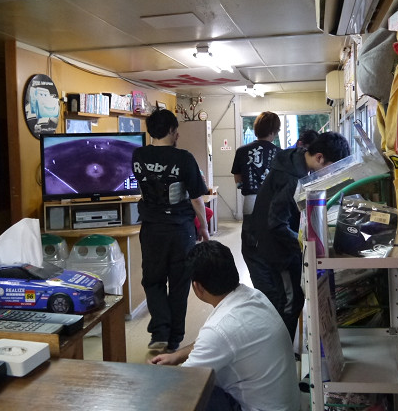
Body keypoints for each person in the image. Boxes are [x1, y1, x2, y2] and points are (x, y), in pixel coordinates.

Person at [150, 240, 301, 411]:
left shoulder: (219, 329)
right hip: (286, 406)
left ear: (197, 287)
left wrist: (151, 378)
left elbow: (182, 383)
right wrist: (177, 356)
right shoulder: (255, 297)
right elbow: (215, 343)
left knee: (181, 395)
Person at [251, 132, 350, 342]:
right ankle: (282, 350)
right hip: (276, 250)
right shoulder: (292, 178)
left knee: (292, 297)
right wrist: (306, 244)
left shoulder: (296, 160)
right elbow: (276, 223)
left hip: (279, 244)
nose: (330, 175)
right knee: (290, 301)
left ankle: (283, 346)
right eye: (332, 169)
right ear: (320, 157)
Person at [132, 109, 210, 352]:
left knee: (153, 281)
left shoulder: (138, 155)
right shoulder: (184, 158)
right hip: (180, 229)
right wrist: (204, 228)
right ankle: (174, 338)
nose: (178, 134)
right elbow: (196, 198)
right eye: (176, 130)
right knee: (179, 283)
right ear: (171, 130)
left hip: (152, 228)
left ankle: (160, 333)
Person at [231, 111, 280, 287]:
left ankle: (261, 287)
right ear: (274, 131)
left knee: (251, 248)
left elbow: (238, 179)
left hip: (250, 203)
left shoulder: (242, 151)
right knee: (272, 245)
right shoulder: (279, 154)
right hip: (273, 205)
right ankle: (273, 288)